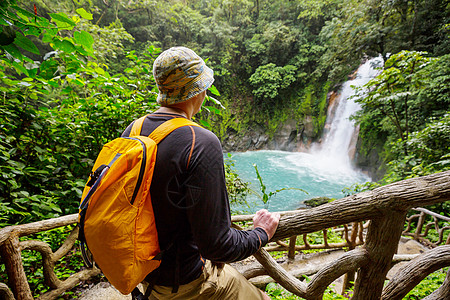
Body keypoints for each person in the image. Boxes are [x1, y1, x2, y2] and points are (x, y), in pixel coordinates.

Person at [122, 46, 280, 300]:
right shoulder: (200, 141)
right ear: (199, 90)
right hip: (186, 283)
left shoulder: (134, 129)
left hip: (144, 275)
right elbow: (218, 246)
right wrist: (261, 233)